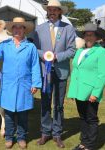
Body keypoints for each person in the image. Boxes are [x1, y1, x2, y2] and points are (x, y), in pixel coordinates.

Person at [0, 17, 42, 149]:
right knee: (8, 114)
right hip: (8, 85)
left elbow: (35, 66)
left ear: (24, 30)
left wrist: (36, 83)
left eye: (20, 27)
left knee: (22, 115)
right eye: (15, 27)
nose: (17, 30)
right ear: (11, 30)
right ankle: (9, 138)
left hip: (24, 85)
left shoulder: (31, 47)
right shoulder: (4, 45)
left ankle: (21, 137)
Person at [34, 0, 76, 148]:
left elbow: (72, 50)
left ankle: (57, 134)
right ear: (47, 11)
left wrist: (57, 56)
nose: (52, 12)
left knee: (58, 105)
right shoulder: (39, 29)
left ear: (60, 12)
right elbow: (35, 49)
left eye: (55, 10)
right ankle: (45, 132)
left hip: (61, 72)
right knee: (45, 103)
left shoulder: (68, 29)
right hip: (45, 72)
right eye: (50, 9)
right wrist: (44, 55)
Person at [67, 23, 105, 150]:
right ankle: (83, 143)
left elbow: (103, 75)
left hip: (91, 92)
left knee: (91, 119)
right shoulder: (79, 51)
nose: (88, 37)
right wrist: (73, 91)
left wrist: (95, 93)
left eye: (91, 35)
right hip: (79, 91)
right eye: (86, 34)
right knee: (83, 117)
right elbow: (75, 71)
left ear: (96, 37)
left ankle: (90, 145)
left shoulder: (101, 52)